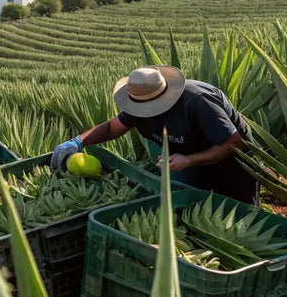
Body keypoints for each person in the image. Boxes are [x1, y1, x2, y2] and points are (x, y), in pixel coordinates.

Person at [49, 65, 259, 204]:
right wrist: (78, 141)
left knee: (238, 211)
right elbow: (112, 128)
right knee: (194, 208)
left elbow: (234, 143)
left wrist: (190, 160)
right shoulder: (138, 103)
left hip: (232, 162)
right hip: (187, 158)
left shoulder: (197, 101)